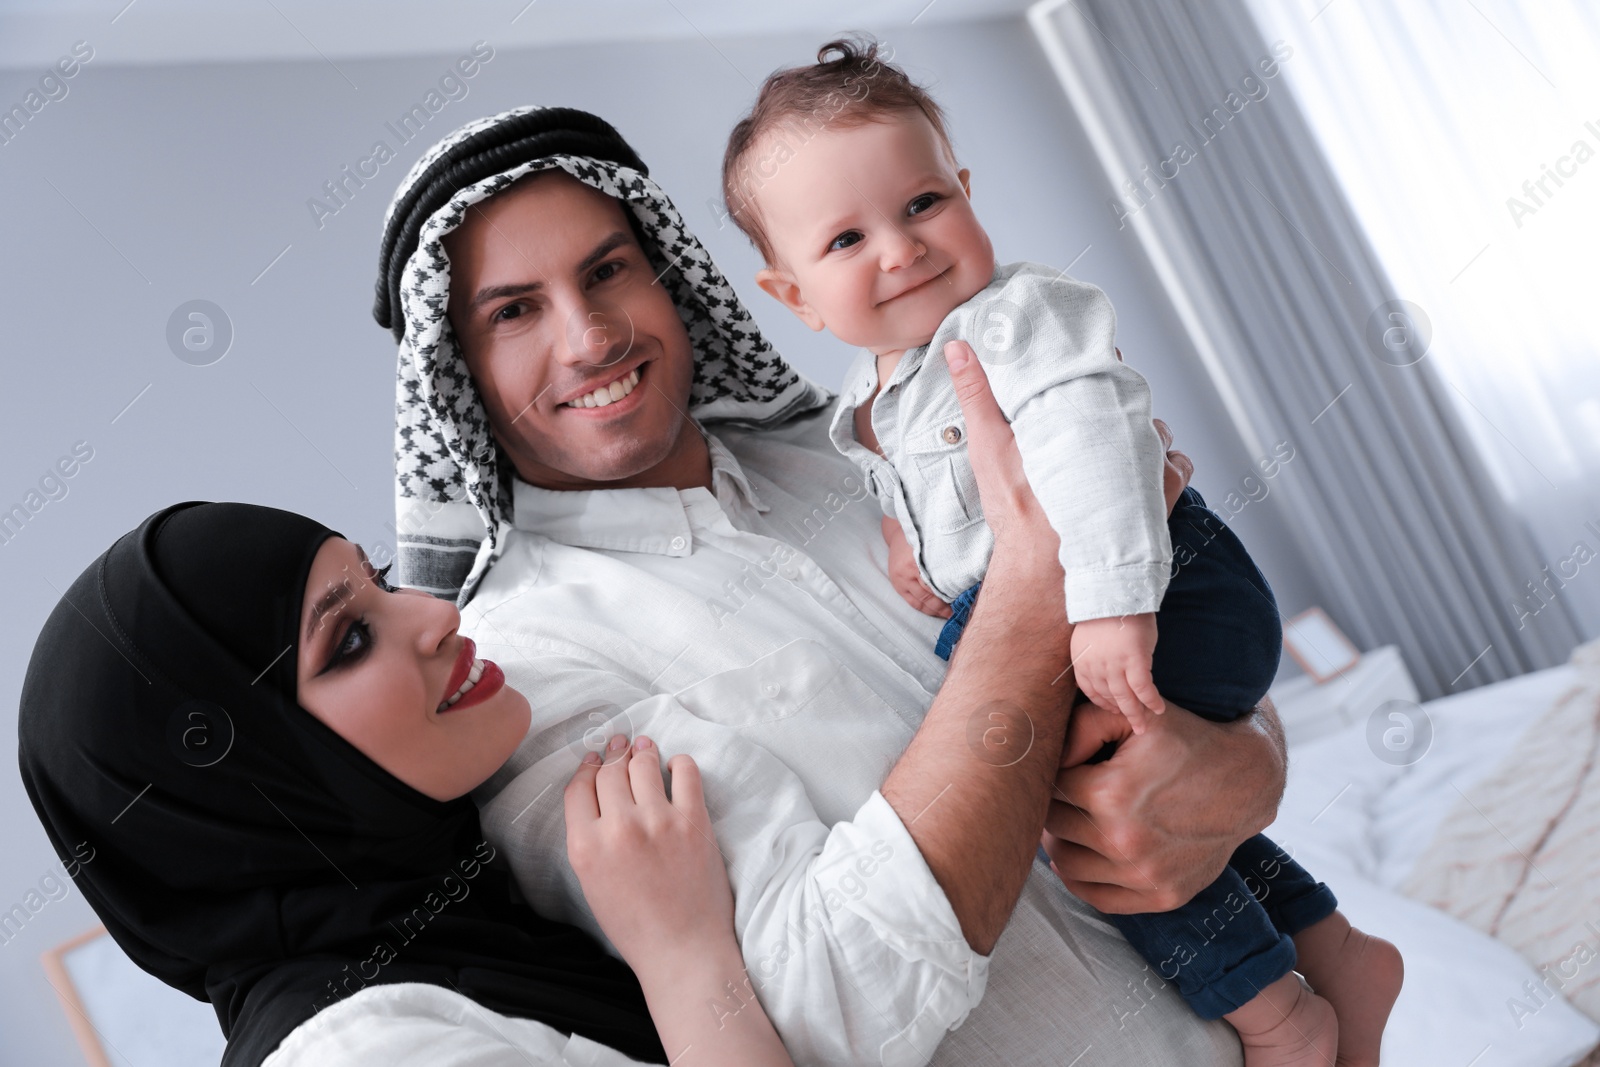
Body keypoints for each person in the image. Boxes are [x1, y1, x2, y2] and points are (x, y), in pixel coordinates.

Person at [373, 104, 1290, 1064]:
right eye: (513, 310)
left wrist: (1246, 761)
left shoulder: (881, 446)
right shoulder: (520, 669)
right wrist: (1032, 585)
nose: (591, 336)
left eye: (608, 270)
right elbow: (826, 1008)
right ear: (456, 372)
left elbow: (1176, 639)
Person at [722, 38, 1403, 1067]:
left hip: (1167, 587)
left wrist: (1112, 604)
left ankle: (1276, 1015)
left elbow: (1091, 436)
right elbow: (944, 496)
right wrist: (917, 555)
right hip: (1109, 597)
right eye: (847, 238)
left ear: (965, 188)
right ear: (795, 296)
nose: (899, 249)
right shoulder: (870, 404)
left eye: (921, 205)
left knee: (1051, 797)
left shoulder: (1015, 318)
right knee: (1123, 804)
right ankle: (1331, 946)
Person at [17, 500, 793, 1066]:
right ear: (243, 794)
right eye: (349, 639)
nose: (435, 614)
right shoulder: (358, 1051)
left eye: (378, 577)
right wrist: (684, 956)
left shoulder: (475, 909)